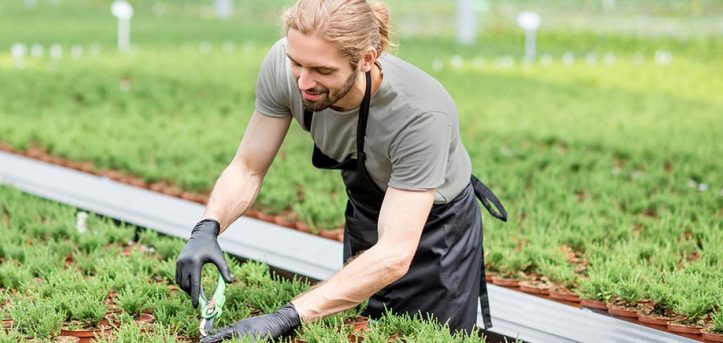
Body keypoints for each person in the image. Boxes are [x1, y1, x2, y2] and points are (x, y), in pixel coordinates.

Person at [175, 0, 507, 341]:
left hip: (437, 232)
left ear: (366, 59)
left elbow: (393, 253)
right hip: (367, 211)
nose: (303, 81)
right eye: (296, 63)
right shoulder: (282, 64)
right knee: (359, 321)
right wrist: (207, 228)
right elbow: (247, 167)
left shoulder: (420, 114)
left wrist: (284, 318)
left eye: (322, 70)